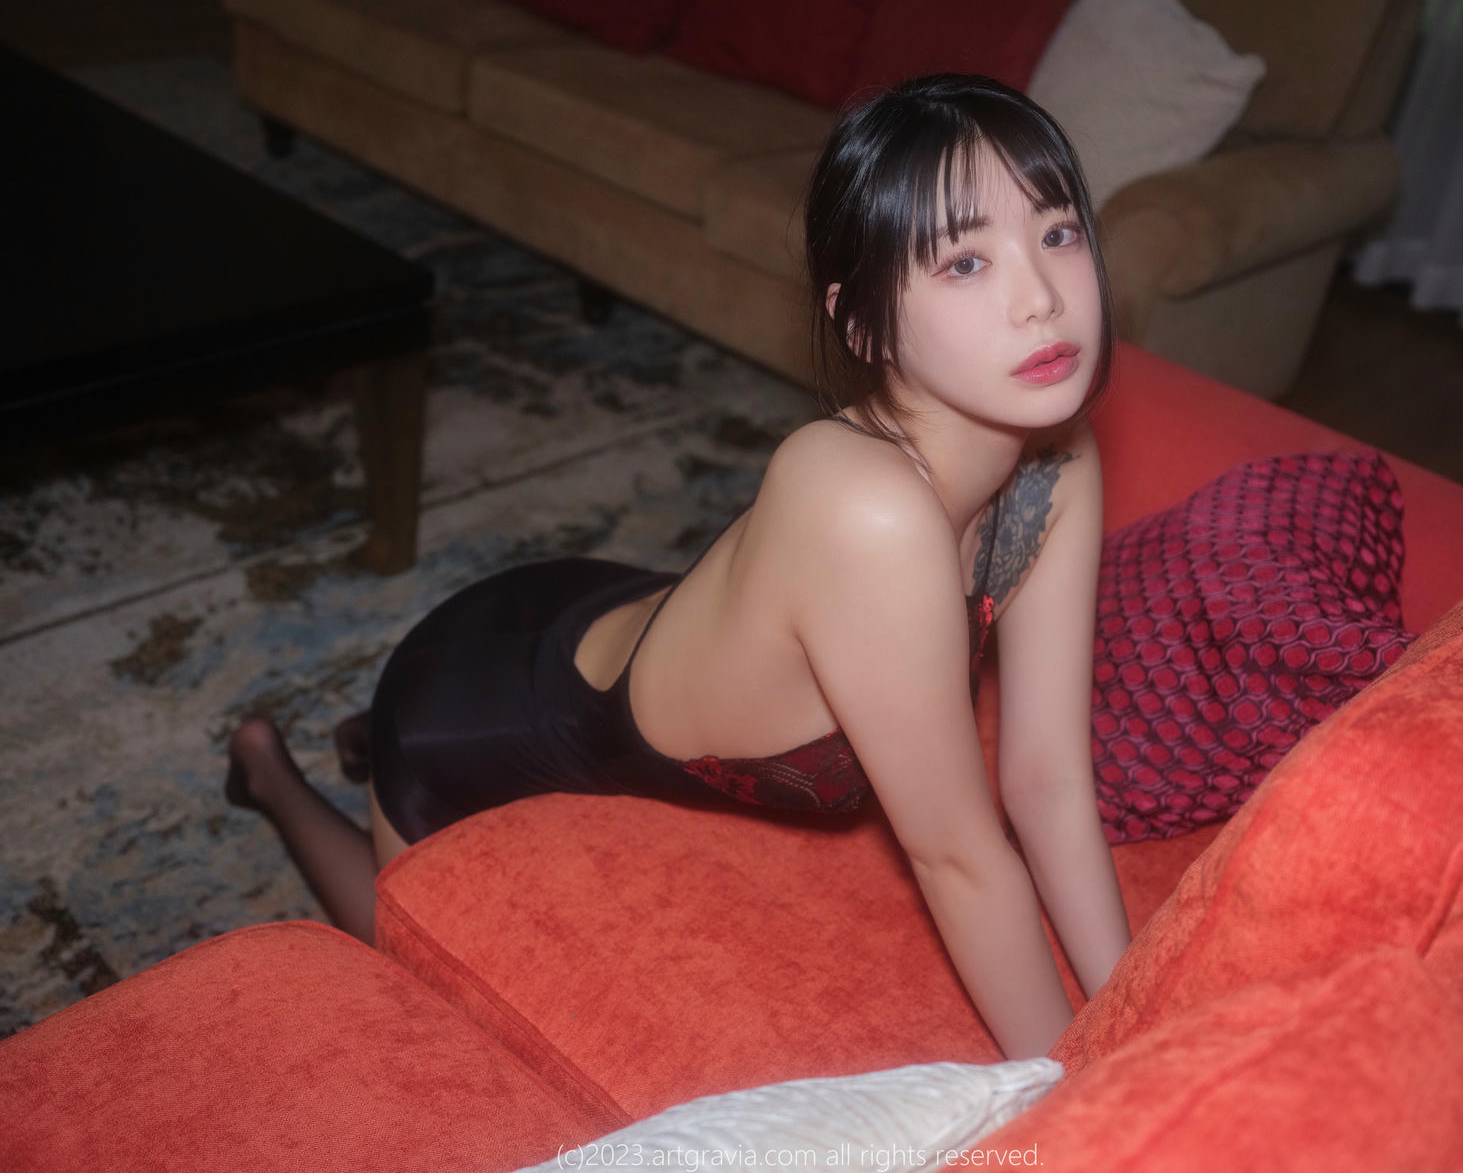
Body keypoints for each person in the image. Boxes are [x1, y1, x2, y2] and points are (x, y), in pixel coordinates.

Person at [225, 72, 1131, 1060]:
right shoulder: (857, 502)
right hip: (474, 708)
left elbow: (1045, 782)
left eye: (1056, 232)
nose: (1041, 300)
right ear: (862, 323)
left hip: (599, 607)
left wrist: (1144, 1017)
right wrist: (1086, 1096)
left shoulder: (1057, 459)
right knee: (400, 955)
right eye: (966, 261)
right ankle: (270, 772)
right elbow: (960, 858)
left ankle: (350, 741)